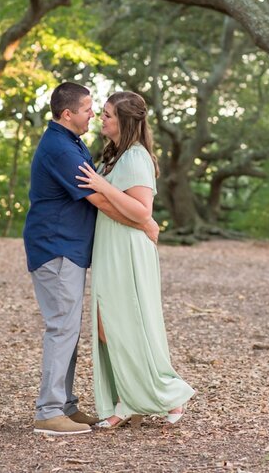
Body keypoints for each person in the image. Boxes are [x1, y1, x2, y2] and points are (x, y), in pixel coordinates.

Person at [23, 83, 159, 436]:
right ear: (67, 114)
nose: (93, 115)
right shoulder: (60, 149)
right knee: (62, 326)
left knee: (68, 326)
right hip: (56, 248)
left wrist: (143, 221)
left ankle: (65, 406)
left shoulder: (72, 143)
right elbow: (98, 201)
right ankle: (49, 411)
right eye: (88, 109)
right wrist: (144, 222)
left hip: (68, 248)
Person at [75, 91, 196, 428]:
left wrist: (104, 186)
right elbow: (112, 206)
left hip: (129, 250)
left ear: (126, 122)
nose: (102, 119)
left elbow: (143, 211)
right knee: (106, 326)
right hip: (110, 246)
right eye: (101, 113)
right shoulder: (114, 156)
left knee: (128, 323)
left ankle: (168, 394)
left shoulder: (137, 158)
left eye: (108, 115)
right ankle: (126, 398)